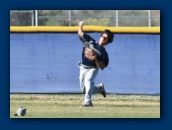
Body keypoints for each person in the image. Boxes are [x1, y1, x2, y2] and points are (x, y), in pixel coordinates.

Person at [77, 21, 114, 107]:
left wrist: (95, 59)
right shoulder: (90, 41)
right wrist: (80, 25)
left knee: (88, 81)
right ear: (101, 36)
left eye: (106, 38)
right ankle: (100, 88)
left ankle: (88, 102)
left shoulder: (104, 53)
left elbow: (102, 67)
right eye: (103, 36)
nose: (103, 38)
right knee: (85, 89)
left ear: (107, 41)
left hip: (93, 68)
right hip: (83, 67)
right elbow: (80, 33)